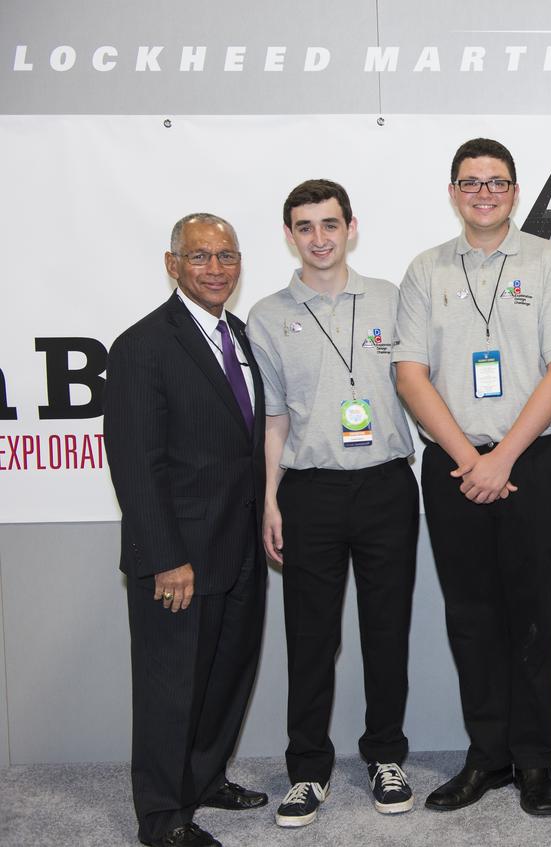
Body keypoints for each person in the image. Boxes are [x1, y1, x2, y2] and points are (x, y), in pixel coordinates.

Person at [394, 138, 551, 816]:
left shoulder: (550, 261)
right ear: (453, 191)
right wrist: (470, 459)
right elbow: (410, 374)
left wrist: (502, 457)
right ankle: (488, 756)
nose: (484, 192)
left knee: (533, 618)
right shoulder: (425, 270)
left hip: (535, 463)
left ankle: (535, 760)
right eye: (470, 182)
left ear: (513, 190)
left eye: (497, 182)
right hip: (454, 462)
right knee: (471, 616)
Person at [247, 180, 419, 827]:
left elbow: (422, 386)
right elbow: (272, 420)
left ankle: (385, 755)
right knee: (311, 636)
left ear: (352, 227)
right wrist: (270, 501)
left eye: (329, 223)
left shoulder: (392, 300)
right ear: (289, 235)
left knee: (386, 629)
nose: (318, 237)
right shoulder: (267, 315)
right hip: (309, 490)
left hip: (385, 484)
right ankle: (308, 768)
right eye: (304, 226)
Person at [103, 214, 267, 847]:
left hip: (243, 544)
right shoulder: (142, 345)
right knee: (171, 687)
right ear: (172, 265)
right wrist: (165, 557)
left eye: (227, 256)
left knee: (228, 675)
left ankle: (203, 780)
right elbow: (135, 464)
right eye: (200, 257)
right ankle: (162, 816)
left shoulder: (244, 337)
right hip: (180, 557)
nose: (216, 268)